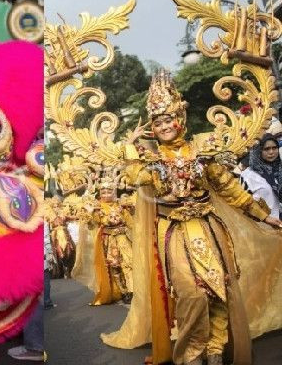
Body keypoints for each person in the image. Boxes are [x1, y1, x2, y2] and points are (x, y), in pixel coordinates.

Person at [111, 71, 282, 365]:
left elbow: (229, 188)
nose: (164, 126)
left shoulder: (203, 150)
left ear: (181, 119)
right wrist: (131, 148)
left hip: (208, 227)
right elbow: (137, 177)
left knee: (220, 288)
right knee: (192, 294)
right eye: (158, 122)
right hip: (174, 232)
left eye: (169, 120)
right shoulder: (151, 159)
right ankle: (191, 353)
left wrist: (264, 217)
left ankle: (215, 350)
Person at [86, 175, 135, 305]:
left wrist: (133, 212)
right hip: (109, 240)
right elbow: (93, 224)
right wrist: (90, 213)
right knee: (115, 266)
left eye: (109, 191)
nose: (107, 194)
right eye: (103, 192)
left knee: (129, 263)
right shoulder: (98, 208)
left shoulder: (121, 205)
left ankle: (132, 290)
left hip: (124, 238)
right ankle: (123, 291)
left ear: (114, 192)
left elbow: (131, 223)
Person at [245, 133, 282, 218]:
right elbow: (243, 203)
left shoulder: (280, 168)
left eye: (274, 148)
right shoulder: (249, 175)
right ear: (259, 150)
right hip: (263, 226)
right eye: (267, 149)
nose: (271, 152)